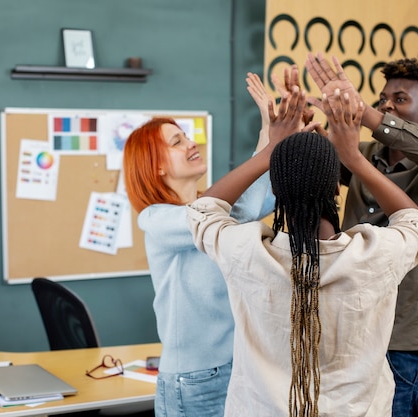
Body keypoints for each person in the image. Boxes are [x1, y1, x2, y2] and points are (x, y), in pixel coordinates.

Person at [186, 88, 418, 416]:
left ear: (276, 191)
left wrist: (268, 152)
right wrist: (354, 159)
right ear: (336, 187)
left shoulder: (246, 252)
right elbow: (416, 222)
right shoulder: (378, 255)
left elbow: (203, 211)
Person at [304, 52, 418, 417]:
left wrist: (364, 113)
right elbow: (317, 164)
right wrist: (305, 131)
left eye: (399, 99)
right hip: (344, 329)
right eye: (384, 98)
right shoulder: (363, 153)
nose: (387, 105)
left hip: (400, 341)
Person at [122, 70, 285, 416]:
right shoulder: (156, 220)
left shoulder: (219, 211)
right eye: (176, 142)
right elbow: (215, 210)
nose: (191, 143)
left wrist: (269, 132)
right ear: (156, 167)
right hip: (192, 380)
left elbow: (249, 202)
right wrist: (268, 146)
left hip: (235, 367)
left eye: (187, 137)